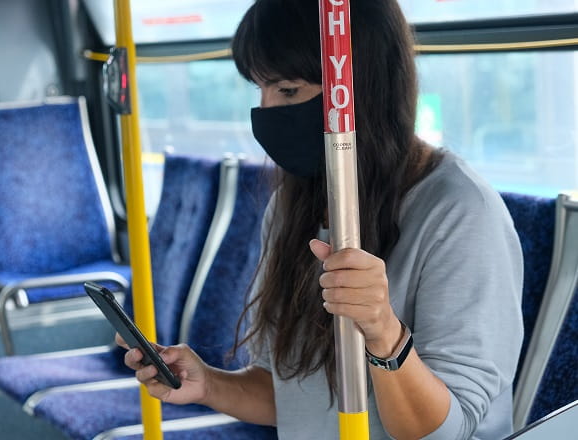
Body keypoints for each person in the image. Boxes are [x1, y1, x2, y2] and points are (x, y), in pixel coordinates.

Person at [116, 0, 524, 438]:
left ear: (360, 88)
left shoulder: (460, 214)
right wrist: (208, 383)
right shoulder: (293, 207)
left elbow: (449, 431)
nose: (267, 110)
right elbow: (293, 397)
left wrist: (382, 331)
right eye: (261, 90)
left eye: (288, 91)